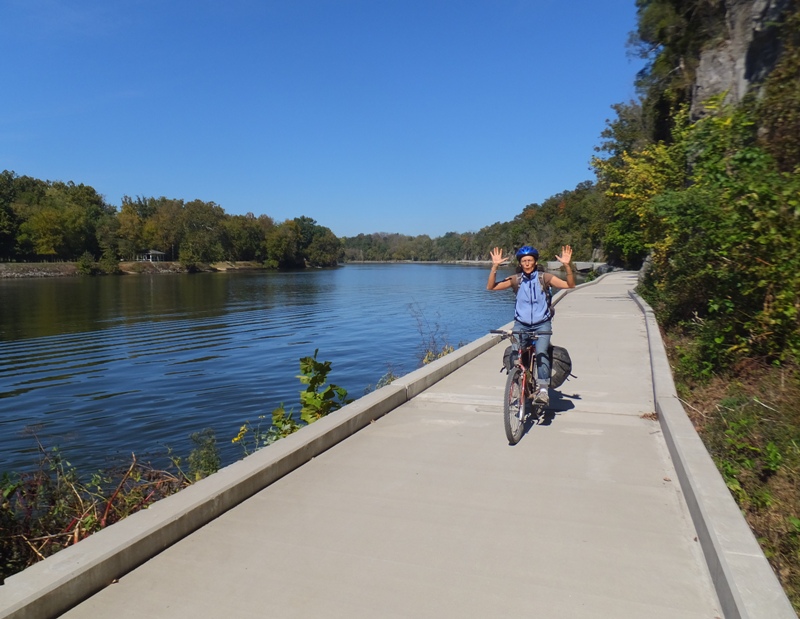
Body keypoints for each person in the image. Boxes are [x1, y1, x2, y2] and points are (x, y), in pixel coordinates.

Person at [486, 245, 575, 405]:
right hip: (522, 324)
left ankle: (542, 390)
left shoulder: (544, 278)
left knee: (541, 352)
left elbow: (569, 285)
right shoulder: (516, 280)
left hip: (542, 324)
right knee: (516, 352)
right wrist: (495, 266)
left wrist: (567, 266)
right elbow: (491, 287)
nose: (527, 263)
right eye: (524, 261)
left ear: (535, 262)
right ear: (520, 263)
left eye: (530, 260)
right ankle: (518, 382)